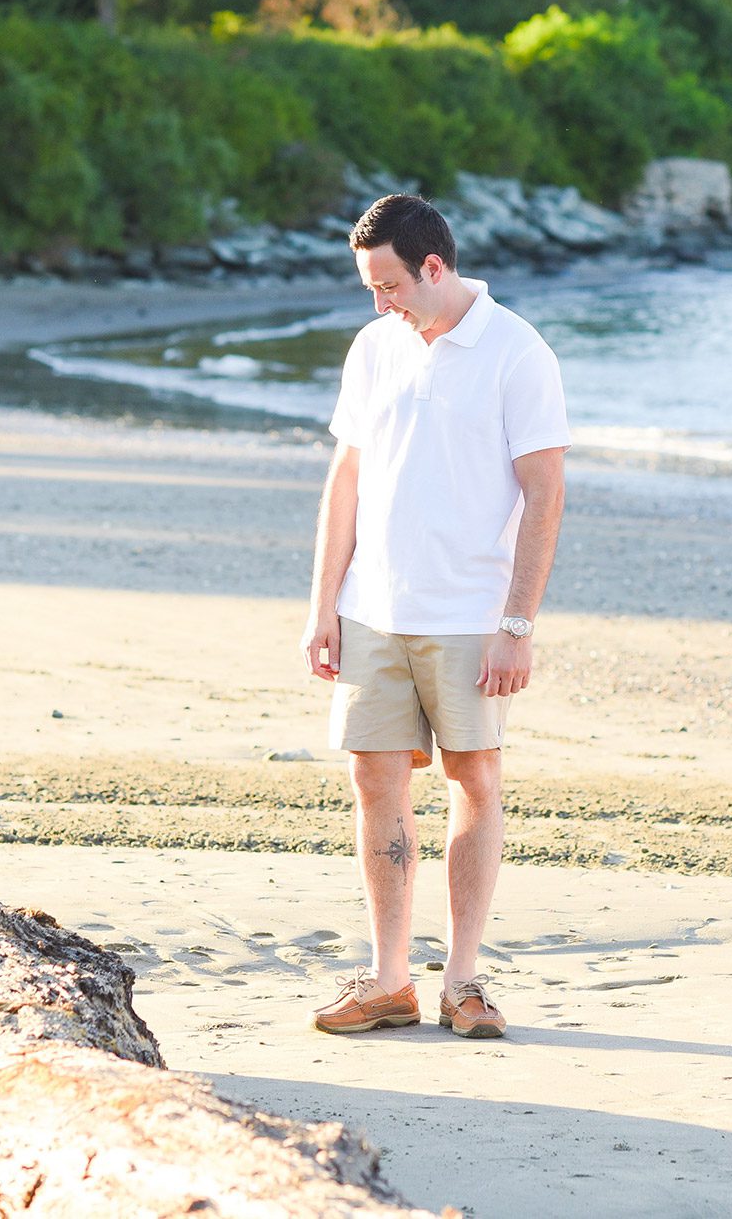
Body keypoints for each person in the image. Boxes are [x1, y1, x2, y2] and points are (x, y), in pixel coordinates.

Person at [301, 194, 569, 1040]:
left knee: (474, 781)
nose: (378, 301)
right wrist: (323, 606)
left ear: (434, 268)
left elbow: (545, 495)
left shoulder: (516, 351)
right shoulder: (374, 346)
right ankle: (387, 980)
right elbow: (345, 480)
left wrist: (517, 623)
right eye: (368, 286)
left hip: (471, 613)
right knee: (375, 782)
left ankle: (462, 981)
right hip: (372, 606)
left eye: (388, 284)